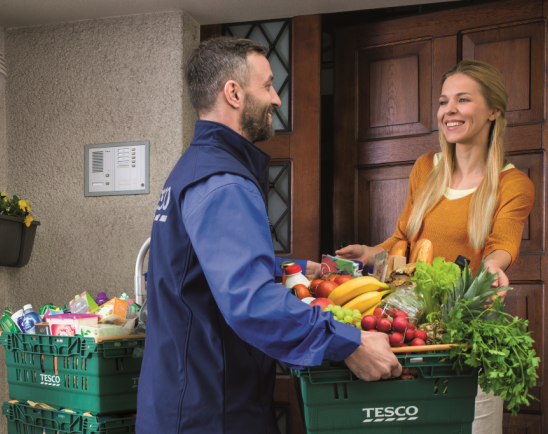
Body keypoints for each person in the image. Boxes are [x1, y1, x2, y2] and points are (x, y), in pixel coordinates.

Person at [136, 37, 402, 434]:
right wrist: (348, 342)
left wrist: (287, 267)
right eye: (268, 86)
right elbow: (250, 301)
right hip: (210, 411)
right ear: (234, 93)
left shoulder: (193, 168)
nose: (277, 99)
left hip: (182, 400)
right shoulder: (224, 181)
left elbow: (194, 265)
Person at [336, 60, 535, 434]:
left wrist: (493, 265)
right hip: (411, 331)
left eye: (463, 99)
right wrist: (369, 252)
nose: (449, 111)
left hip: (463, 335)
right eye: (444, 101)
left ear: (494, 110)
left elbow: (503, 243)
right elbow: (401, 240)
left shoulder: (513, 184)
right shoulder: (426, 167)